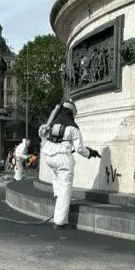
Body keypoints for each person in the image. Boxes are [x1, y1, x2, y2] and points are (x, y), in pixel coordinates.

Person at [38, 98, 100, 229]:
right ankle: (59, 222)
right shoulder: (72, 127)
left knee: (57, 179)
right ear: (72, 113)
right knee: (65, 190)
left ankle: (57, 197)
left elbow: (43, 136)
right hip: (63, 159)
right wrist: (91, 153)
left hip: (49, 157)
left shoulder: (53, 123)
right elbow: (80, 149)